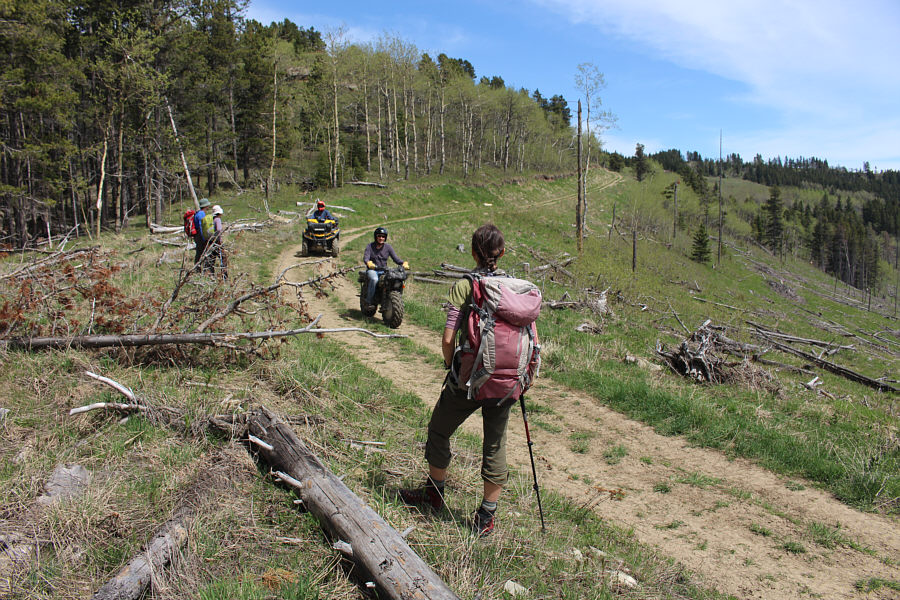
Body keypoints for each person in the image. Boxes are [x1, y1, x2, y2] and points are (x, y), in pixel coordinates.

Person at [400, 223, 510, 537]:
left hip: (469, 380)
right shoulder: (515, 287)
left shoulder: (465, 286)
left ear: (473, 252)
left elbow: (449, 338)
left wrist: (451, 366)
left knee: (439, 429)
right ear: (502, 253)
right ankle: (486, 516)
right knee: (495, 445)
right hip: (505, 382)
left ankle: (434, 495)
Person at [362, 227, 408, 306]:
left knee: (395, 281)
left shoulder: (388, 247)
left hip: (384, 271)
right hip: (373, 270)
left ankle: (392, 301)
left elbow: (396, 259)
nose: (381, 238)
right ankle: (369, 301)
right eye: (379, 236)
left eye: (383, 236)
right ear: (376, 236)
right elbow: (366, 258)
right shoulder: (370, 246)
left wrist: (403, 263)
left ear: (385, 238)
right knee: (374, 279)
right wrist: (369, 263)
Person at [206, 204, 227, 279]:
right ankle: (224, 276)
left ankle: (211, 276)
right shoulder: (217, 219)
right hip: (217, 242)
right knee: (223, 258)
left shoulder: (211, 219)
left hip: (211, 242)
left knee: (212, 260)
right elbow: (219, 230)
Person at [193, 198, 210, 266]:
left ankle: (197, 267)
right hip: (200, 236)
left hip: (197, 236)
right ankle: (202, 267)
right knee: (203, 252)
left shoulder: (198, 213)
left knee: (199, 252)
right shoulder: (201, 214)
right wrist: (205, 238)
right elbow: (201, 226)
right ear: (206, 206)